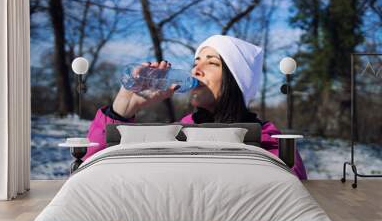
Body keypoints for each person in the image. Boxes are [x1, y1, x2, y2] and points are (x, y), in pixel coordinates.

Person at [83, 35, 308, 180]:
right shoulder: (176, 134)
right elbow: (91, 174)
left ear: (236, 81)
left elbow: (292, 190)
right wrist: (122, 109)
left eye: (212, 62)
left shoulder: (269, 142)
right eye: (195, 62)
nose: (196, 70)